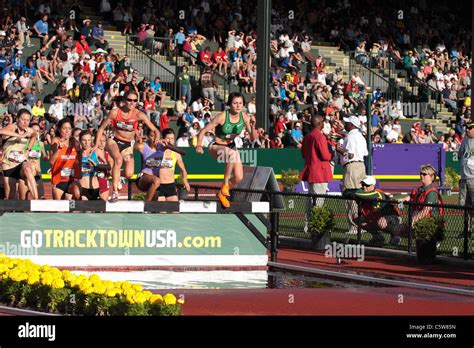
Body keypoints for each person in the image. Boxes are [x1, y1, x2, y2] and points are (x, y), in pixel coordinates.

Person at [95, 90, 161, 202]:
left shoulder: (139, 114)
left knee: (129, 174)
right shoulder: (115, 113)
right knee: (118, 160)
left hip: (128, 145)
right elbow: (101, 128)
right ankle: (115, 192)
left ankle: (116, 175)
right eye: (129, 100)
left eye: (135, 100)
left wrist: (157, 137)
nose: (132, 103)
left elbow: (154, 129)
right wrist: (96, 144)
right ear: (125, 101)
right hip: (114, 140)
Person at [196, 92, 256, 208]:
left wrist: (252, 127)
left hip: (231, 146)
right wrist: (199, 145)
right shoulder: (223, 116)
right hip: (216, 146)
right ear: (230, 104)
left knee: (239, 177)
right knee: (232, 154)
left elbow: (253, 138)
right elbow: (203, 131)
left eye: (240, 103)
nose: (238, 106)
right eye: (235, 103)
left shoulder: (244, 117)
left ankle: (221, 193)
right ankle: (224, 185)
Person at [300, 114, 333, 232]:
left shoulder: (308, 136)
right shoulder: (319, 136)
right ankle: (316, 224)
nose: (324, 123)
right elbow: (325, 155)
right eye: (323, 122)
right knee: (318, 199)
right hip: (320, 172)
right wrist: (332, 154)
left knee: (310, 199)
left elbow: (303, 154)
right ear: (319, 123)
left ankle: (307, 224)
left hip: (310, 170)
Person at [336, 115, 368, 234]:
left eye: (348, 123)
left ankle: (355, 226)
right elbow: (365, 153)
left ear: (352, 125)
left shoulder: (350, 136)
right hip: (361, 166)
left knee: (350, 195)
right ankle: (362, 224)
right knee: (361, 196)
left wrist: (339, 149)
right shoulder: (361, 137)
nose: (345, 124)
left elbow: (350, 155)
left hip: (352, 166)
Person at [1, 109, 39, 200]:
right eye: (23, 119)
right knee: (10, 197)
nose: (25, 122)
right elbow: (2, 131)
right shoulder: (12, 127)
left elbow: (34, 135)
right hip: (9, 165)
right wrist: (20, 136)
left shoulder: (28, 130)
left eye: (28, 120)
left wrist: (28, 149)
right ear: (17, 119)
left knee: (27, 169)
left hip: (21, 163)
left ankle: (36, 200)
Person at [354, 176, 403, 245]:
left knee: (381, 222)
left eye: (367, 185)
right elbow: (354, 193)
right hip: (376, 218)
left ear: (373, 186)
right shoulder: (364, 194)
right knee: (357, 218)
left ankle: (395, 235)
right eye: (363, 185)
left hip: (393, 218)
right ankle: (377, 236)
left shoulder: (378, 193)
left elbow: (357, 193)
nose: (364, 187)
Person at [49, 118, 82, 200]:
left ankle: (70, 201)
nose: (67, 131)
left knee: (77, 193)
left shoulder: (75, 143)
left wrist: (79, 170)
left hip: (71, 180)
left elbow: (80, 157)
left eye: (69, 128)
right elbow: (51, 161)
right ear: (60, 130)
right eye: (64, 128)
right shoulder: (56, 141)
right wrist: (59, 149)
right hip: (58, 180)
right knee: (59, 210)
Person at [158, 128, 190, 201]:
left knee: (174, 211)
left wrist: (185, 181)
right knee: (161, 211)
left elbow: (183, 170)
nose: (170, 141)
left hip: (170, 186)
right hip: (159, 185)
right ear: (163, 139)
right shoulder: (157, 151)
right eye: (168, 138)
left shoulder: (176, 154)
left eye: (172, 138)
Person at [17, 123, 47, 200]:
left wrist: (47, 157)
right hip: (25, 177)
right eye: (34, 130)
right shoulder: (23, 143)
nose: (36, 133)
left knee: (41, 201)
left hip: (37, 176)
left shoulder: (41, 144)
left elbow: (44, 157)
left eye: (38, 131)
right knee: (22, 203)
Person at [134, 130, 164, 202]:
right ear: (148, 137)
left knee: (155, 203)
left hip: (156, 180)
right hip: (143, 178)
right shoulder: (144, 146)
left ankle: (151, 209)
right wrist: (137, 141)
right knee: (156, 181)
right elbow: (134, 147)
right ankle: (147, 205)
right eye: (152, 136)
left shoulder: (162, 148)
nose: (154, 138)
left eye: (156, 136)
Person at [79, 130, 109, 200]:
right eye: (84, 140)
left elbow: (108, 166)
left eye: (89, 140)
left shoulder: (96, 151)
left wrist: (96, 165)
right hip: (83, 188)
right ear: (80, 141)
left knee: (97, 210)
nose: (86, 143)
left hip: (95, 188)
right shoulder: (78, 153)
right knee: (84, 209)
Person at [458, 121, 474, 237]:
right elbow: (460, 155)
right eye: (466, 128)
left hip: (473, 178)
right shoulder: (464, 140)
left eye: (469, 128)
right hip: (464, 178)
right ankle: (467, 230)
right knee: (465, 206)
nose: (467, 130)